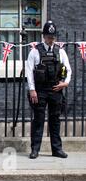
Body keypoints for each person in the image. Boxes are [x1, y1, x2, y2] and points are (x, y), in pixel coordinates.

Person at [26, 20, 72, 159]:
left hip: (56, 89)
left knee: (55, 120)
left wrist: (65, 83)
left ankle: (57, 150)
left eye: (53, 37)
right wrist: (32, 90)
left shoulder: (60, 51)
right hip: (40, 90)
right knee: (38, 120)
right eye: (48, 37)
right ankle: (35, 150)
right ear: (43, 36)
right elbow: (29, 71)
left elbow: (68, 70)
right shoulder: (35, 51)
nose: (51, 39)